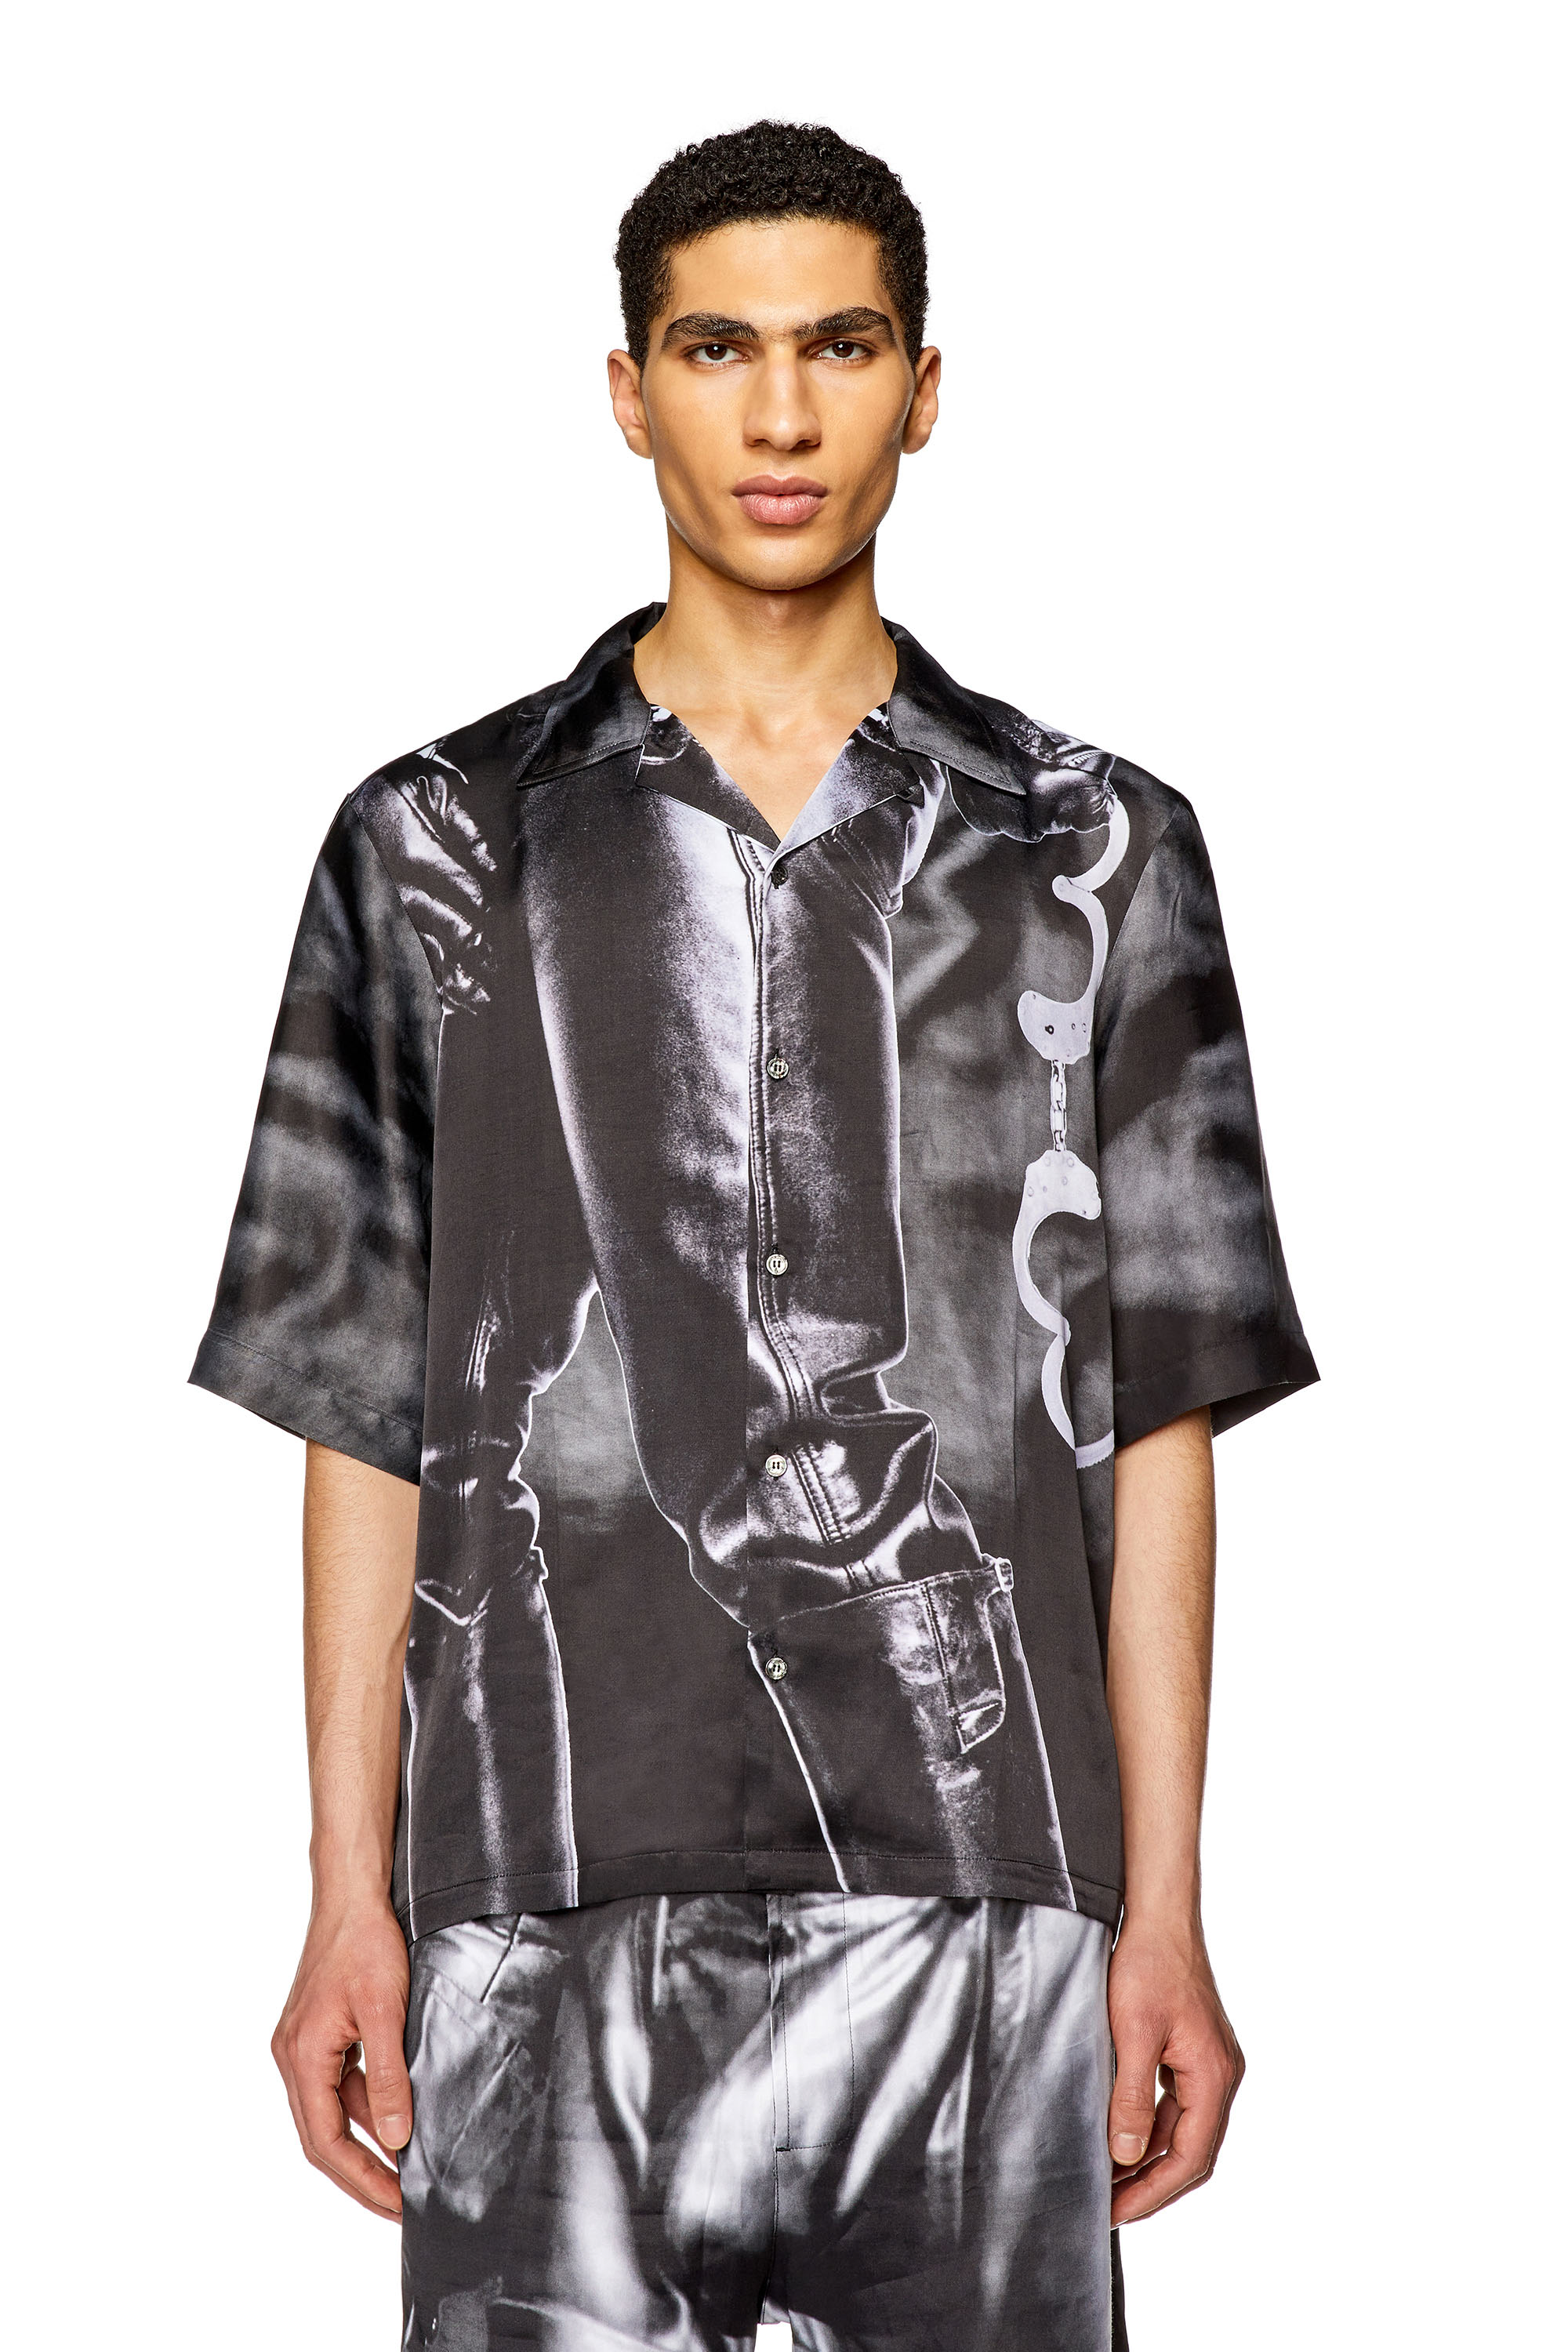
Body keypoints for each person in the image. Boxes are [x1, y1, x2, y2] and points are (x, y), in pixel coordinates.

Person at [192, 119, 1317, 2352]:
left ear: (925, 387)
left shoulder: (1100, 849)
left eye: (840, 348)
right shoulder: (436, 844)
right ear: (630, 393)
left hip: (988, 1898)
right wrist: (344, 1891)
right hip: (539, 1894)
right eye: (718, 350)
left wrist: (1169, 1911)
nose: (781, 414)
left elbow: (1161, 1421)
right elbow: (358, 1403)